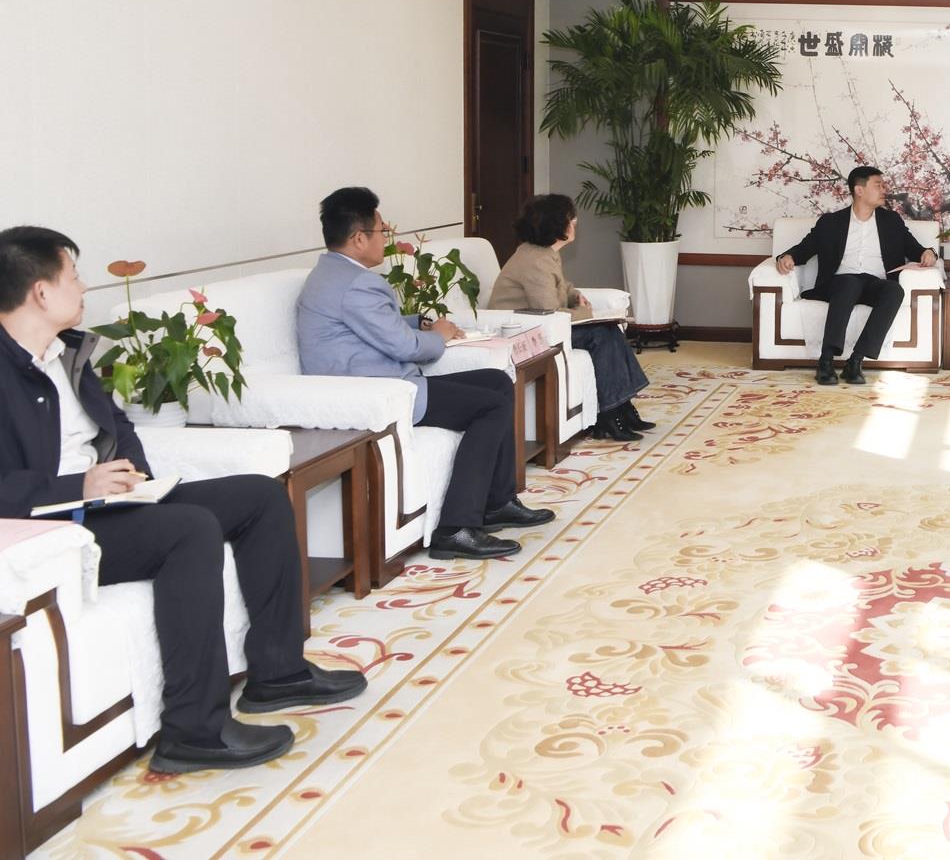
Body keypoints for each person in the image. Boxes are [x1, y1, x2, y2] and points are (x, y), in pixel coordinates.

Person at [0, 226, 366, 774]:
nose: (84, 286)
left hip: (110, 504)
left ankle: (278, 672)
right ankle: (194, 730)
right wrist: (78, 487)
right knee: (190, 529)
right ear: (41, 292)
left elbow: (117, 425)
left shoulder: (68, 352)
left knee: (260, 496)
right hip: (58, 526)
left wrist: (135, 475)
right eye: (73, 276)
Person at [296, 188, 552, 561]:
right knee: (490, 406)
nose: (387, 237)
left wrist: (419, 322)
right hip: (378, 394)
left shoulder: (332, 274)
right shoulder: (357, 284)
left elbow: (372, 326)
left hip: (379, 384)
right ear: (358, 238)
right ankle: (456, 527)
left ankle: (497, 502)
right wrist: (439, 335)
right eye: (382, 231)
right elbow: (406, 348)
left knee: (497, 382)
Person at [489, 194, 655, 443]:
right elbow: (549, 311)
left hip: (543, 324)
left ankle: (621, 409)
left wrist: (575, 295)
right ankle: (611, 415)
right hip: (527, 332)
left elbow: (559, 287)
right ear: (557, 224)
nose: (575, 222)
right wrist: (585, 313)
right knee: (602, 335)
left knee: (609, 330)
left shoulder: (544, 253)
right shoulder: (534, 261)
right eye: (570, 218)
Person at [775, 166, 939, 385]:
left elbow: (914, 249)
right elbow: (805, 248)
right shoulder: (831, 222)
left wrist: (929, 253)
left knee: (894, 290)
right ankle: (825, 361)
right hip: (839, 284)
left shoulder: (891, 221)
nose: (884, 190)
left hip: (874, 284)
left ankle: (855, 361)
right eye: (878, 185)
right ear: (859, 190)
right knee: (849, 283)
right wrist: (787, 257)